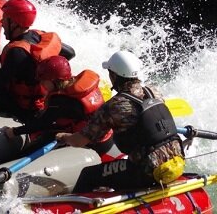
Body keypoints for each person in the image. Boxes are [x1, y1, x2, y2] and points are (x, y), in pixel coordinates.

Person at [56, 51, 185, 192]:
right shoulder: (154, 92)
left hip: (144, 170)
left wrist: (63, 137)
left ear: (114, 76)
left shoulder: (114, 106)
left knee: (88, 174)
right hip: (176, 159)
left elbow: (80, 141)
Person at [0, 0, 75, 121]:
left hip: (24, 109)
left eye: (5, 17)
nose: (1, 21)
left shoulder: (17, 52)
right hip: (38, 98)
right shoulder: (39, 35)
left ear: (14, 23)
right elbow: (70, 52)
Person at [3, 56, 121, 162]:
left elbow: (40, 124)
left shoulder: (62, 102)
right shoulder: (78, 85)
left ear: (54, 81)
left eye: (44, 81)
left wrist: (14, 132)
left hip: (93, 144)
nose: (41, 84)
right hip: (106, 136)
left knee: (37, 145)